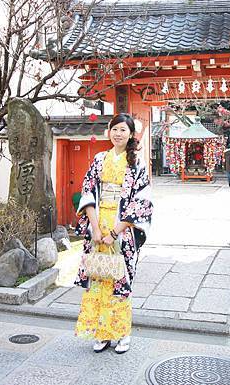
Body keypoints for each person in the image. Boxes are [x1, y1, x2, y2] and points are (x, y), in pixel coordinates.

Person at [74, 113, 153, 354]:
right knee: (99, 278)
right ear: (109, 131)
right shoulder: (99, 159)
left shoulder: (137, 164)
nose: (118, 133)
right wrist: (96, 228)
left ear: (130, 135)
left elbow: (141, 202)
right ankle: (102, 333)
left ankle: (122, 334)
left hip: (123, 229)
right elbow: (87, 192)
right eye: (114, 129)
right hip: (97, 226)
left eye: (123, 130)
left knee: (120, 280)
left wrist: (114, 232)